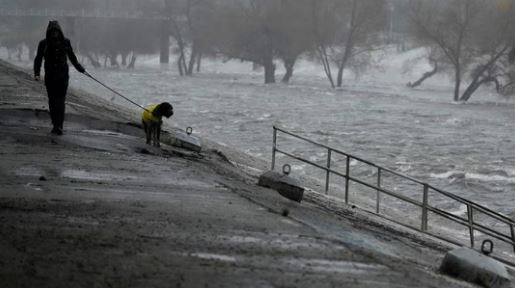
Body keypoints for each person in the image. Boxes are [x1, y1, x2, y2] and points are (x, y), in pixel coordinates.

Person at [34, 20, 86, 135]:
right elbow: (38, 59)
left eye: (56, 32)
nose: (54, 34)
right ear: (48, 32)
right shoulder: (43, 44)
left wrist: (80, 69)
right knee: (52, 102)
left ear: (59, 32)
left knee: (61, 101)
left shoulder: (65, 42)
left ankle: (60, 126)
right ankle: (55, 124)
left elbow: (72, 57)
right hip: (50, 77)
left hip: (63, 77)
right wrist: (36, 73)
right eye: (52, 32)